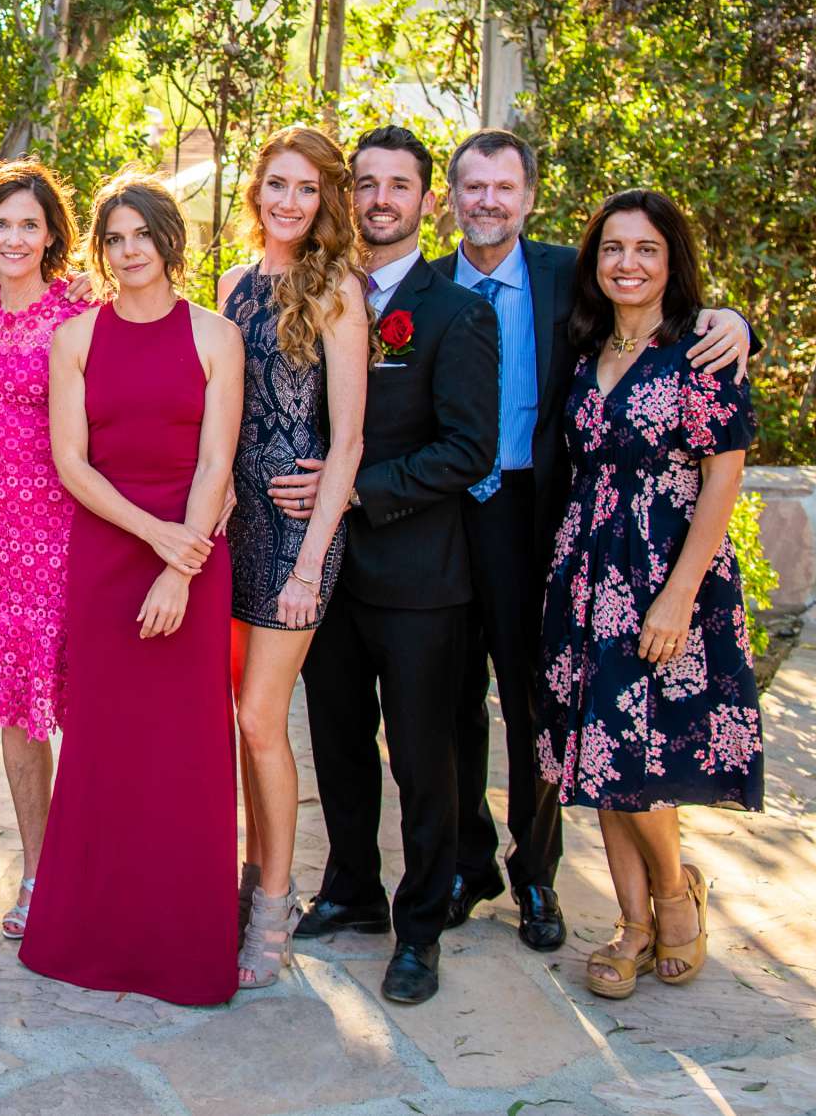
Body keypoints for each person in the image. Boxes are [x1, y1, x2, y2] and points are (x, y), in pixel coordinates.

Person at [433, 129, 753, 951]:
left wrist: (739, 323)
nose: (489, 201)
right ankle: (471, 866)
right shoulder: (422, 290)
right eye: (473, 187)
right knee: (448, 704)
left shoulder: (559, 278)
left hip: (544, 522)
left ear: (530, 197)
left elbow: (675, 327)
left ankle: (537, 877)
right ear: (452, 197)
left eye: (505, 187)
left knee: (542, 706)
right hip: (448, 520)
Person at [281, 127, 498, 1007]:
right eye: (365, 183)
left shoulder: (457, 313)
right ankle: (351, 888)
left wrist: (355, 491)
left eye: (397, 185)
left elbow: (467, 449)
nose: (379, 199)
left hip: (417, 574)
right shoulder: (311, 294)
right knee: (335, 741)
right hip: (323, 570)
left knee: (422, 756)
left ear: (425, 201)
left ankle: (419, 929)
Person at [20, 172, 243, 1006]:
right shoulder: (75, 338)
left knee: (184, 754)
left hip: (194, 553)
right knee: (105, 747)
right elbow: (71, 462)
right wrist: (157, 546)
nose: (127, 252)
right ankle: (89, 936)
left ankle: (182, 948)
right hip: (111, 555)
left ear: (167, 240)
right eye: (113, 239)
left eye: (141, 234)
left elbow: (218, 464)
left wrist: (181, 569)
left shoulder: (217, 337)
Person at [536, 190, 760, 1000]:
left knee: (640, 756)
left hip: (665, 573)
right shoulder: (586, 344)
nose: (627, 263)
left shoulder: (698, 349)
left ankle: (674, 895)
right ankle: (632, 922)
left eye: (646, 250)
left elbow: (723, 477)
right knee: (596, 748)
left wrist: (677, 595)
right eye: (612, 249)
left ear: (672, 262)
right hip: (585, 573)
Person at [214, 127, 366, 988]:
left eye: (306, 189)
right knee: (237, 721)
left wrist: (311, 564)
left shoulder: (337, 288)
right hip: (230, 529)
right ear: (256, 191)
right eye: (277, 184)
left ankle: (273, 904)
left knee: (260, 720)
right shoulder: (233, 284)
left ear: (325, 201)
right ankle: (249, 878)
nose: (289, 202)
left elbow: (346, 443)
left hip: (297, 538)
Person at [0, 159, 88, 939]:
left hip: (72, 531)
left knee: (87, 708)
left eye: (29, 223)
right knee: (20, 720)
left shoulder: (81, 310)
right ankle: (38, 876)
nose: (14, 236)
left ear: (51, 235)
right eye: (1, 223)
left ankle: (94, 870)